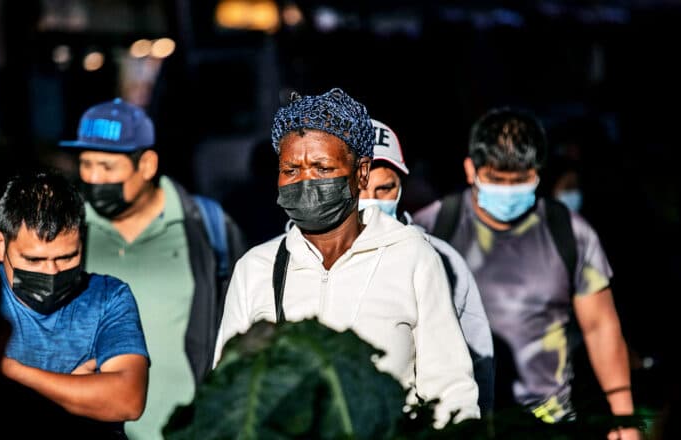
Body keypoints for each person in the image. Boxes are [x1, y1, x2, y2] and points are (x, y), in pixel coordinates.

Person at [214, 88, 480, 429]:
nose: (305, 181)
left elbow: (451, 391)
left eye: (322, 168)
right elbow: (226, 391)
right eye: (291, 170)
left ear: (361, 173)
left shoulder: (412, 256)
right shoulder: (256, 268)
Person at [412, 107, 639, 439]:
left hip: (550, 423)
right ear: (470, 169)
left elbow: (600, 326)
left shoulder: (569, 232)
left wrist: (624, 420)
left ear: (537, 174)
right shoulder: (431, 228)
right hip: (459, 423)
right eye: (496, 179)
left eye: (518, 181)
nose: (507, 190)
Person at [59, 97, 248, 439]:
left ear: (146, 164)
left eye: (107, 166)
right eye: (86, 165)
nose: (93, 178)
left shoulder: (208, 228)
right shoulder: (66, 233)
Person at [0, 170, 150, 435]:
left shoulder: (109, 297)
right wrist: (76, 392)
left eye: (67, 257)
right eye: (34, 260)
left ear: (82, 242)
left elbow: (127, 399)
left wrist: (9, 370)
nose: (52, 272)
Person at [359, 118, 495, 415]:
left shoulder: (440, 258)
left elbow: (477, 361)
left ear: (401, 188)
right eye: (359, 188)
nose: (369, 201)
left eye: (384, 188)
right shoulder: (292, 258)